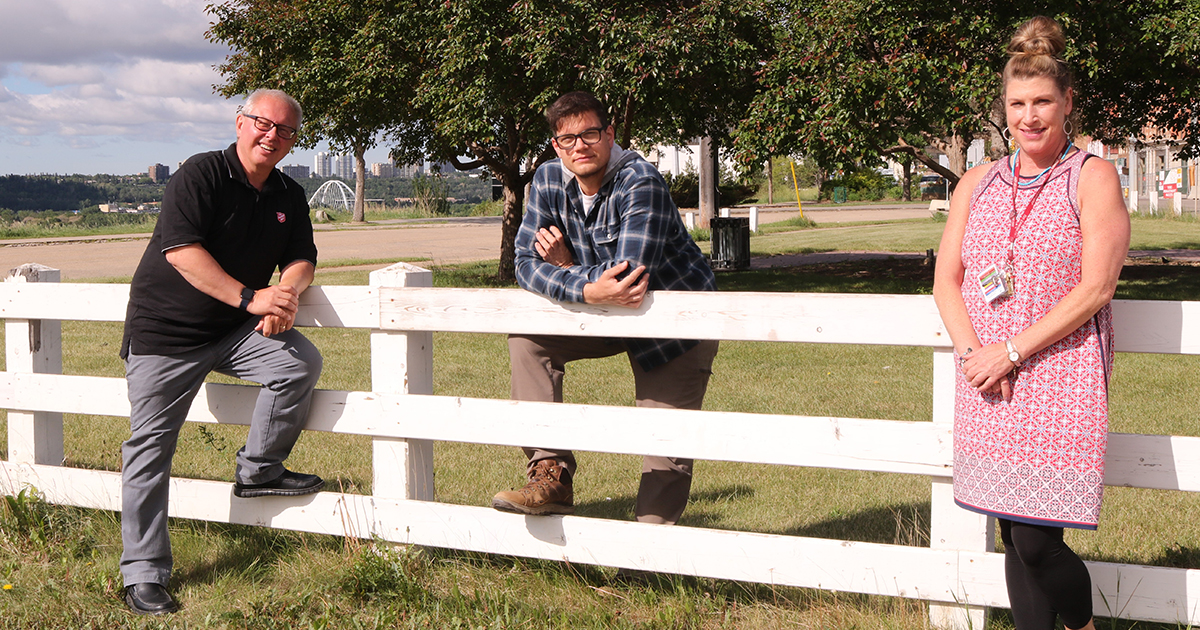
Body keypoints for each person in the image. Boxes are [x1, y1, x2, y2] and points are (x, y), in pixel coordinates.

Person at [932, 17, 1129, 630]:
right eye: (1017, 103)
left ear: (1067, 101)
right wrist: (976, 358)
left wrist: (1010, 352)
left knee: (1041, 542)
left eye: (1043, 101)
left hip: (1060, 376)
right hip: (987, 378)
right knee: (1012, 534)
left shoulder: (1091, 177)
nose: (1030, 116)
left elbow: (1097, 287)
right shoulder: (977, 182)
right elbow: (947, 280)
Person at [118, 89, 324, 615]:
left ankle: (259, 470)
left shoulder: (288, 193)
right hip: (167, 334)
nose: (271, 135)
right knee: (150, 447)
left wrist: (287, 296)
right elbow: (182, 251)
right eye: (262, 123)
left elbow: (302, 257)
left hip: (234, 331)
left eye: (285, 130)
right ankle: (143, 573)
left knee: (298, 363)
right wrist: (253, 297)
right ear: (240, 123)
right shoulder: (200, 174)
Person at [491, 91, 719, 525]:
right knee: (528, 339)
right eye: (566, 138)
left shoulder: (640, 181)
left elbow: (628, 277)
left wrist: (570, 269)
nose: (579, 146)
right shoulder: (547, 179)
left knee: (664, 449)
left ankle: (648, 555)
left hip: (670, 325)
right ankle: (550, 474)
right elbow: (523, 264)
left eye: (590, 133)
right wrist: (588, 287)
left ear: (610, 134)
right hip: (603, 312)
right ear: (556, 145)